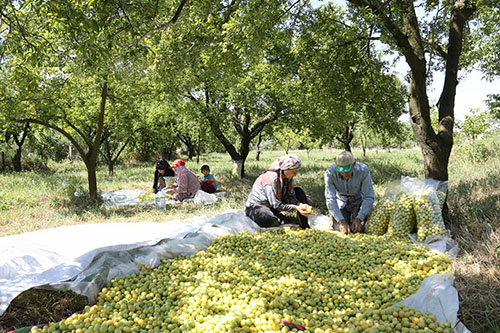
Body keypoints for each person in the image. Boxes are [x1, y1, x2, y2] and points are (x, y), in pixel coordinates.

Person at [245, 154, 312, 229]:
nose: (295, 174)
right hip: (258, 206)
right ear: (286, 169)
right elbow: (276, 204)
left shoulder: (287, 177)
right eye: (294, 172)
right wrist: (296, 208)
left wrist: (300, 204)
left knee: (299, 191)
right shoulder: (271, 179)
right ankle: (278, 219)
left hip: (273, 205)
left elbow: (290, 196)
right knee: (268, 220)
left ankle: (304, 225)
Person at [324, 150, 375, 234]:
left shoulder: (363, 170)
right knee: (340, 230)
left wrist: (359, 218)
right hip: (341, 201)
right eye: (341, 170)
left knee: (359, 229)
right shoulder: (330, 173)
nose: (344, 173)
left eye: (347, 170)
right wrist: (341, 221)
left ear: (354, 165)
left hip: (358, 200)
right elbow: (330, 199)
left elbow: (368, 197)